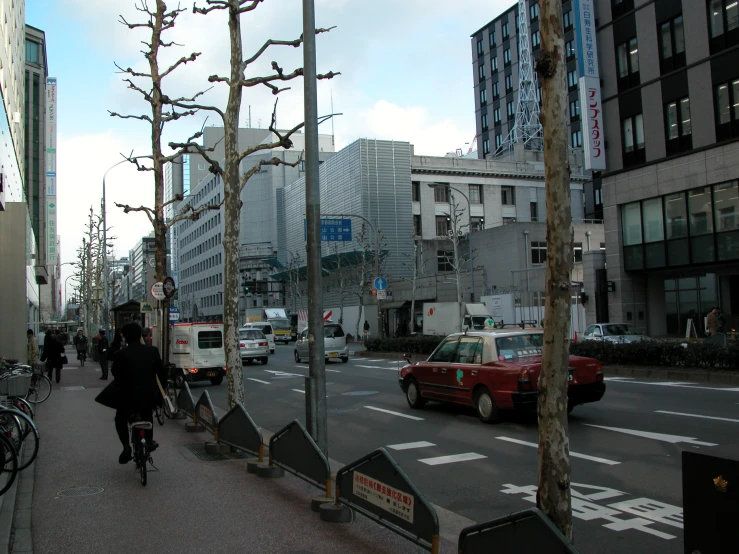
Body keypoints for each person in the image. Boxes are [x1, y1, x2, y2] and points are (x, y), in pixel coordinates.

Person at [111, 322, 167, 465]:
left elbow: (115, 374)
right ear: (140, 335)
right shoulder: (152, 351)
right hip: (148, 396)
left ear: (125, 338)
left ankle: (125, 447)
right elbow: (161, 373)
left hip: (127, 398)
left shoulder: (119, 355)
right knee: (148, 415)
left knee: (120, 419)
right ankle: (148, 441)